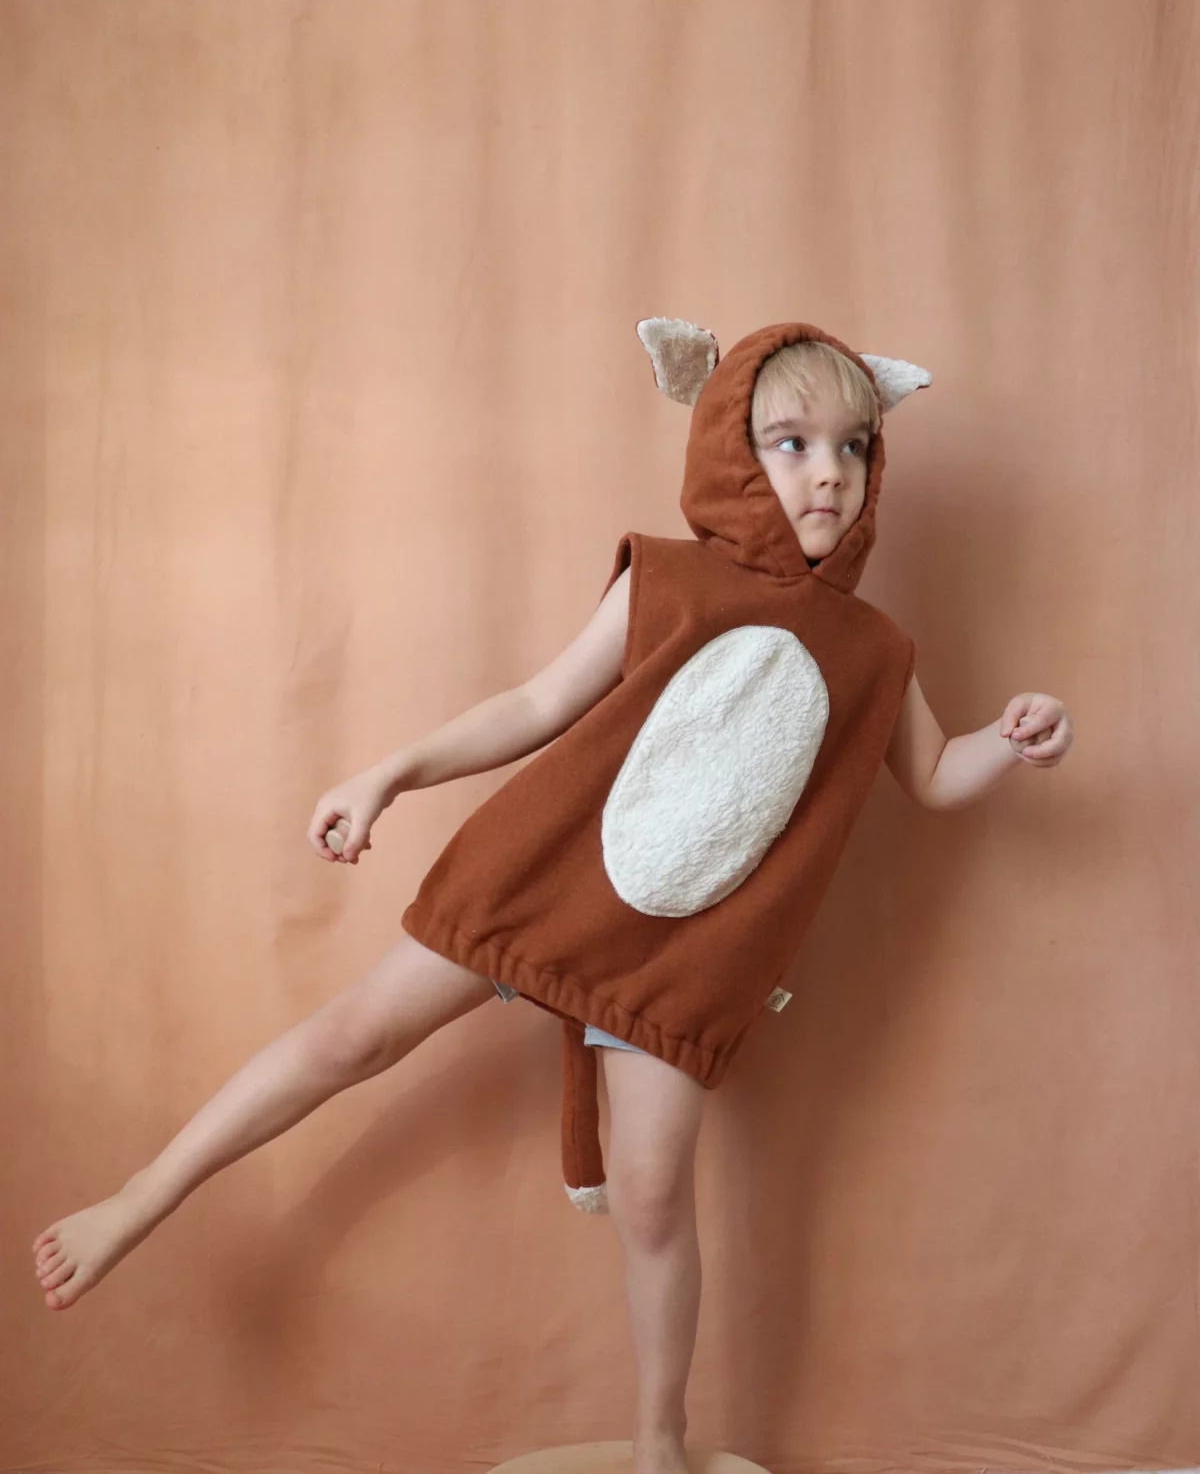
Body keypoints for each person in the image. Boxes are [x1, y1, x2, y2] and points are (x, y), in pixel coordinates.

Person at [33, 318, 1073, 1474]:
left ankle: (660, 1445)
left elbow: (931, 776)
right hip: (546, 875)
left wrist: (1009, 742)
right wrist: (388, 772)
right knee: (348, 1036)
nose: (827, 470)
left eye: (854, 446)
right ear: (732, 450)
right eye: (788, 441)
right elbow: (534, 706)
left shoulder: (879, 650)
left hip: (680, 959)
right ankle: (139, 1196)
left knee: (655, 1197)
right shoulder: (669, 580)